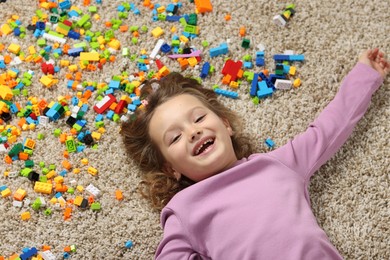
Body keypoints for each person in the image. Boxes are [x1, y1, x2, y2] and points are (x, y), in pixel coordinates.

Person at [121, 48, 389, 259]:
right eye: (176, 137)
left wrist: (365, 75)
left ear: (225, 124)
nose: (193, 132)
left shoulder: (277, 164)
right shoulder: (183, 210)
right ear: (170, 169)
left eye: (199, 118)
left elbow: (329, 128)